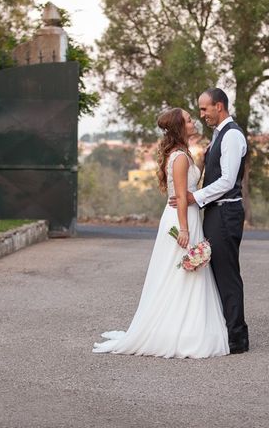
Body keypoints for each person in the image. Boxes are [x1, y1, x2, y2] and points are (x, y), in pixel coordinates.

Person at [92, 108, 229, 358]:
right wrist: (184, 230)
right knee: (178, 273)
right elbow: (178, 196)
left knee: (186, 274)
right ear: (180, 127)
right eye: (188, 120)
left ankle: (187, 326)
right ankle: (174, 330)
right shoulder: (178, 158)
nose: (194, 121)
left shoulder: (184, 153)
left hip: (188, 216)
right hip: (181, 220)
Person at [170, 87, 249, 354]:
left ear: (219, 106)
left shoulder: (233, 136)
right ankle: (224, 331)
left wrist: (194, 197)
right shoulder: (218, 137)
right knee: (215, 272)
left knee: (227, 274)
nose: (202, 114)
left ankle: (237, 339)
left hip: (226, 212)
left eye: (204, 109)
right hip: (215, 211)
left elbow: (227, 181)